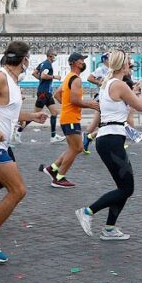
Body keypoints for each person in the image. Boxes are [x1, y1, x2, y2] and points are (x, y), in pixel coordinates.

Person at [0, 41, 48, 263]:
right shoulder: (0, 77)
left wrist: (32, 116)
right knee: (18, 190)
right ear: (24, 60)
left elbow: (6, 113)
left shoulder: (10, 81)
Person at [75, 50, 142, 241]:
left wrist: (136, 92)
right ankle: (88, 211)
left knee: (123, 187)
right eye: (129, 63)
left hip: (109, 138)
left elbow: (126, 104)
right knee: (127, 188)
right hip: (111, 140)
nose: (130, 66)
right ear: (123, 66)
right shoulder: (119, 85)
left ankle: (109, 229)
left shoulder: (109, 83)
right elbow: (141, 106)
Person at [41, 53, 99, 187]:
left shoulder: (69, 77)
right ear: (73, 63)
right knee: (77, 148)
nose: (83, 63)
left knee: (73, 147)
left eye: (83, 61)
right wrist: (90, 104)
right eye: (81, 61)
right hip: (71, 118)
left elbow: (57, 94)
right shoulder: (76, 79)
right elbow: (74, 100)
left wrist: (66, 105)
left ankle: (52, 168)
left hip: (68, 117)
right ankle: (59, 178)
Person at [31, 49, 61, 143]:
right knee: (33, 115)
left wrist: (41, 80)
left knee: (55, 112)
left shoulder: (43, 64)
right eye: (55, 55)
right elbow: (44, 76)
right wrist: (54, 77)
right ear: (50, 56)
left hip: (47, 93)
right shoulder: (47, 64)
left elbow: (34, 73)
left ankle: (53, 136)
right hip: (43, 93)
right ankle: (18, 131)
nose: (56, 57)